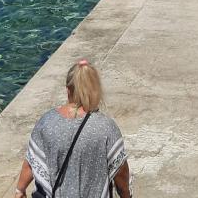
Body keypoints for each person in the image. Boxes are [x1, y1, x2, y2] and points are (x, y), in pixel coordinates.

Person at [14, 60, 130, 198]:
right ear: (95, 90)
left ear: (68, 90)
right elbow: (121, 172)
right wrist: (126, 195)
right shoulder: (107, 128)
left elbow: (32, 161)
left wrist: (20, 190)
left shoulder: (46, 122)